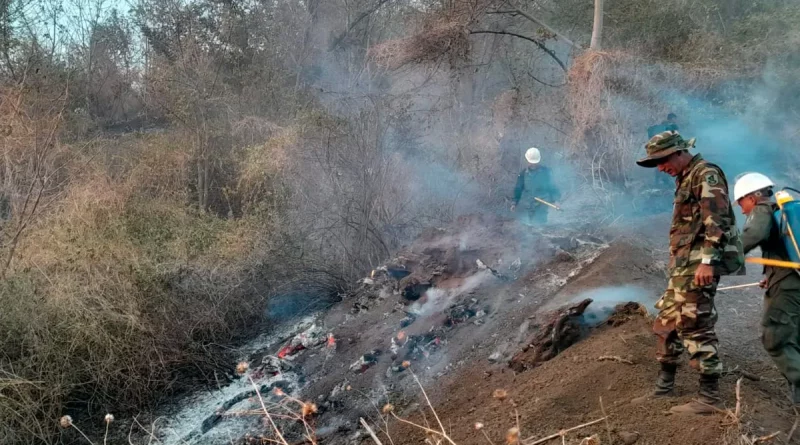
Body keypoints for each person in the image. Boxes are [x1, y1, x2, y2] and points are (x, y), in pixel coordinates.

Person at [632, 130, 740, 414]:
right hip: (682, 267)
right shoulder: (685, 176)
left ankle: (709, 397)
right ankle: (664, 387)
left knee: (695, 324)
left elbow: (716, 221)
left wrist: (708, 261)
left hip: (698, 266)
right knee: (666, 321)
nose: (661, 167)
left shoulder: (706, 174)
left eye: (664, 160)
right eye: (657, 162)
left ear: (680, 152)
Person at [734, 173, 800, 404]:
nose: (742, 210)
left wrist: (713, 259)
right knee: (793, 337)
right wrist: (771, 276)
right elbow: (783, 251)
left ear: (753, 197)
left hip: (789, 285)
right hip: (791, 279)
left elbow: (753, 235)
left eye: (741, 202)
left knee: (775, 337)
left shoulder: (762, 209)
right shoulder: (784, 212)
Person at [510, 147, 560, 226]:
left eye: (534, 163)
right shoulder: (523, 174)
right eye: (531, 162)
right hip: (529, 204)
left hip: (542, 204)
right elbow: (518, 189)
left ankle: (541, 235)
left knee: (540, 224)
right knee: (532, 225)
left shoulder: (546, 172)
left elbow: (552, 187)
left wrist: (555, 200)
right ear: (527, 161)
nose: (533, 164)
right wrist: (514, 203)